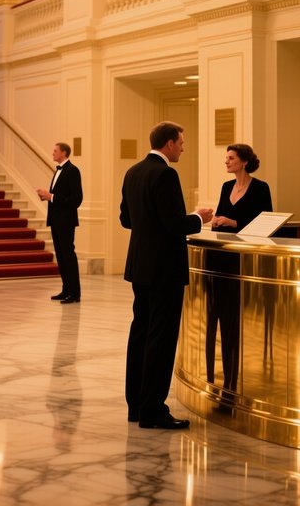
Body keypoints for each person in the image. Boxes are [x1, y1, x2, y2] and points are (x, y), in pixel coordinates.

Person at [120, 121, 213, 429]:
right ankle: (153, 411)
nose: (183, 148)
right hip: (164, 270)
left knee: (140, 333)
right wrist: (199, 218)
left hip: (140, 266)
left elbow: (126, 219)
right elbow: (174, 224)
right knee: (161, 338)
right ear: (170, 143)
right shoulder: (165, 174)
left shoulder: (133, 172)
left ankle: (136, 405)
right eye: (181, 143)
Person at [206, 144, 273, 400]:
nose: (226, 162)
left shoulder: (260, 188)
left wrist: (234, 222)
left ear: (244, 162)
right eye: (226, 157)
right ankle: (220, 372)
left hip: (244, 260)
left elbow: (265, 222)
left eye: (231, 158)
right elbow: (222, 215)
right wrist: (217, 221)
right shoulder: (226, 187)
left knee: (237, 316)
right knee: (220, 312)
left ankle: (239, 371)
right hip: (221, 258)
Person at [36, 142, 83, 304]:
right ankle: (66, 289)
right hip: (56, 220)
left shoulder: (72, 170)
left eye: (55, 151)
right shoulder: (58, 171)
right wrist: (46, 197)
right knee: (61, 256)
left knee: (68, 255)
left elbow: (76, 199)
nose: (52, 153)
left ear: (63, 153)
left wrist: (51, 197)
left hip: (66, 221)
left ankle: (75, 293)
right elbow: (58, 197)